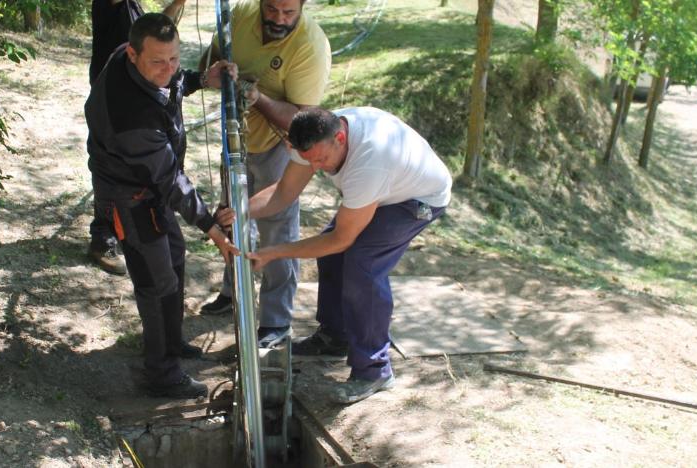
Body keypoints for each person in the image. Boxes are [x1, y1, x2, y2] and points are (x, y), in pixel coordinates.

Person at [246, 107, 452, 404]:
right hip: (387, 187)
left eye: (321, 160)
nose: (315, 167)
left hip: (419, 199)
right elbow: (283, 193)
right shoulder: (312, 136)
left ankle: (374, 369)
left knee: (362, 264)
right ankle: (336, 336)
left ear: (340, 137)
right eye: (309, 160)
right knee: (331, 257)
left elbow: (341, 239)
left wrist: (276, 252)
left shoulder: (369, 161)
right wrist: (239, 211)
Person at [85, 13, 240, 399]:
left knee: (173, 255)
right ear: (134, 55)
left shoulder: (129, 53)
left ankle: (171, 343)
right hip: (130, 196)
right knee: (156, 281)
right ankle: (161, 373)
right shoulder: (131, 116)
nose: (168, 69)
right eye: (158, 61)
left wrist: (202, 79)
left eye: (173, 58)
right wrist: (212, 226)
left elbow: (171, 82)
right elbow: (171, 180)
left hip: (150, 186)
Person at [198, 0, 331, 350]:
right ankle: (234, 290)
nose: (279, 19)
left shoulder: (309, 46)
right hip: (235, 141)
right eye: (272, 10)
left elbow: (304, 124)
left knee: (277, 229)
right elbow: (207, 61)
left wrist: (257, 99)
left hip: (279, 147)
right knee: (231, 217)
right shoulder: (239, 16)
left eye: (289, 13)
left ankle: (275, 321)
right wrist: (213, 73)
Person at [86, 0, 188, 275]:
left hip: (138, 88)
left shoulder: (133, 7)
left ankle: (130, 227)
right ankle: (102, 239)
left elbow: (156, 29)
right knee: (110, 168)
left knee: (141, 171)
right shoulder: (109, 4)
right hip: (113, 97)